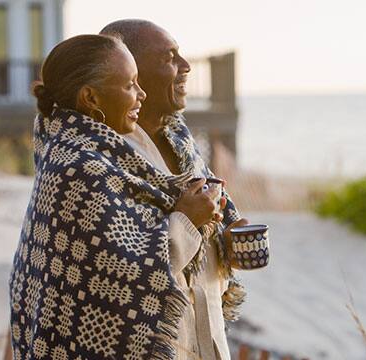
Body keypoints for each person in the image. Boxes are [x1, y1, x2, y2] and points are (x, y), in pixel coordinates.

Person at [9, 34, 224, 360]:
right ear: (90, 97)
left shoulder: (107, 152)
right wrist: (186, 219)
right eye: (130, 84)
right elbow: (124, 274)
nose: (141, 94)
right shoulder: (77, 166)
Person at [101, 20, 250, 360]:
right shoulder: (101, 159)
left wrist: (224, 242)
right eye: (169, 58)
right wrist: (186, 220)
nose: (185, 67)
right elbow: (119, 268)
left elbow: (206, 224)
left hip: (205, 340)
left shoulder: (181, 139)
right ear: (129, 70)